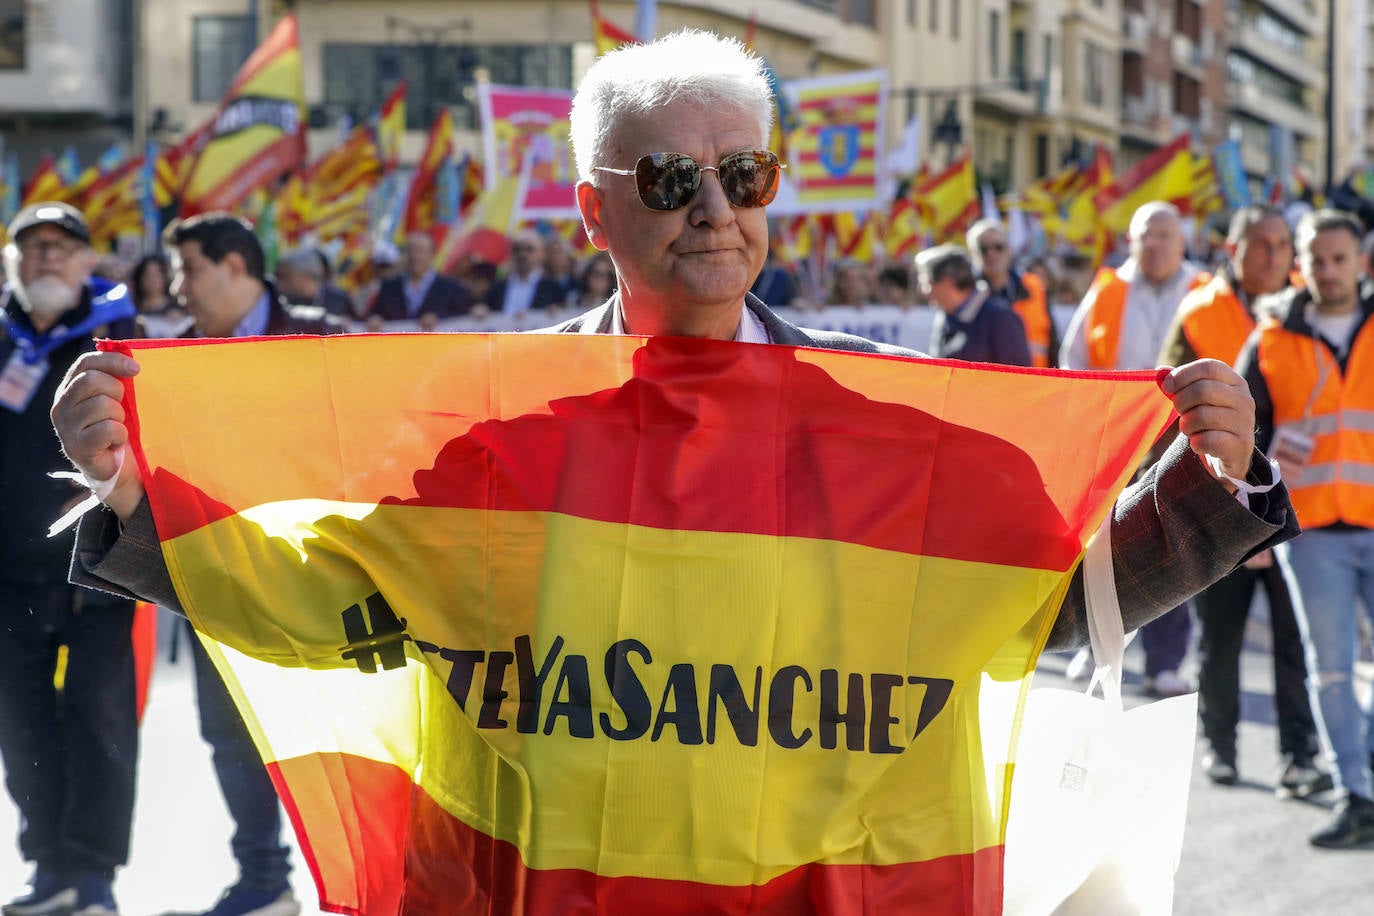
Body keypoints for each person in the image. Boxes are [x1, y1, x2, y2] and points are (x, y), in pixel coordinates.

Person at [53, 28, 1295, 899]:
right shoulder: (490, 439)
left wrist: (1203, 487)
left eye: (741, 172)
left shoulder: (893, 425)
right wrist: (128, 483)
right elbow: (319, 602)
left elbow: (1041, 610)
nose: (714, 206)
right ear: (593, 212)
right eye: (669, 177)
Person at [160, 214, 346, 916]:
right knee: (230, 734)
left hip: (314, 575)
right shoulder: (168, 354)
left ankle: (364, 873)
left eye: (190, 270)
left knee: (333, 730)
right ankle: (265, 879)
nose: (179, 289)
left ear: (236, 266)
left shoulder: (323, 337)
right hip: (215, 576)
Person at [1159, 205, 1328, 795]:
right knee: (1220, 636)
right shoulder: (1199, 313)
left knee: (1294, 641)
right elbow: (1169, 411)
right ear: (1233, 250)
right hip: (1221, 503)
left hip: (1302, 507)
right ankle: (1222, 746)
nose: (1273, 256)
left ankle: (1299, 756)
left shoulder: (1314, 311)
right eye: (1260, 245)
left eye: (1283, 245)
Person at [1, 203, 139, 916]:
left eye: (62, 246)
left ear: (89, 260)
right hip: (9, 577)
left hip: (99, 574)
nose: (46, 258)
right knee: (21, 724)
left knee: (99, 722)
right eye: (31, 248)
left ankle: (91, 877)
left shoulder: (121, 339)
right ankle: (48, 868)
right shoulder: (2, 342)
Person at [1236, 208, 1374, 849]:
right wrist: (1262, 461)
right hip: (1312, 531)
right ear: (1303, 262)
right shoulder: (1269, 337)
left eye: (1339, 259)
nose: (1328, 271)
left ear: (1362, 262)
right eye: (1316, 259)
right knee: (1332, 670)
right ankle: (1357, 794)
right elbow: (1238, 436)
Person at [1060, 201, 1208, 697]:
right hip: (1116, 440)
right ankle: (1093, 643)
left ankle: (1165, 660)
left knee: (1173, 545)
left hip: (1184, 440)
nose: (1155, 244)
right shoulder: (1107, 289)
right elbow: (1074, 359)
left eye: (1165, 234)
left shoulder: (1204, 291)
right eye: (1147, 234)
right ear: (1131, 240)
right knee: (1101, 546)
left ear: (1182, 242)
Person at [915, 244, 1031, 366]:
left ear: (947, 283)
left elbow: (1018, 379)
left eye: (926, 283)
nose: (922, 291)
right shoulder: (945, 316)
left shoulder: (1001, 319)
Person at [967, 219, 1060, 367]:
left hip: (1035, 381)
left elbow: (1052, 340)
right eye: (983, 249)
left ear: (1009, 249)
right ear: (973, 254)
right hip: (988, 384)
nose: (992, 254)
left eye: (998, 247)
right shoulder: (967, 294)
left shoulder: (1033, 285)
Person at [367, 231, 470, 330]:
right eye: (411, 250)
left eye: (420, 251)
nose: (415, 256)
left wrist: (439, 318)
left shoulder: (451, 288)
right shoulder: (389, 287)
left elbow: (464, 320)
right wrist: (374, 319)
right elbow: (371, 315)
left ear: (432, 255)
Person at [487, 231, 567, 314]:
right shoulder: (498, 287)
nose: (522, 254)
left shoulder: (553, 287)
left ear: (542, 254)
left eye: (529, 249)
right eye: (517, 249)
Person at [274, 249, 352, 318]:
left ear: (304, 275)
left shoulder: (339, 299)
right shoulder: (285, 301)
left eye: (286, 275)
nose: (283, 281)